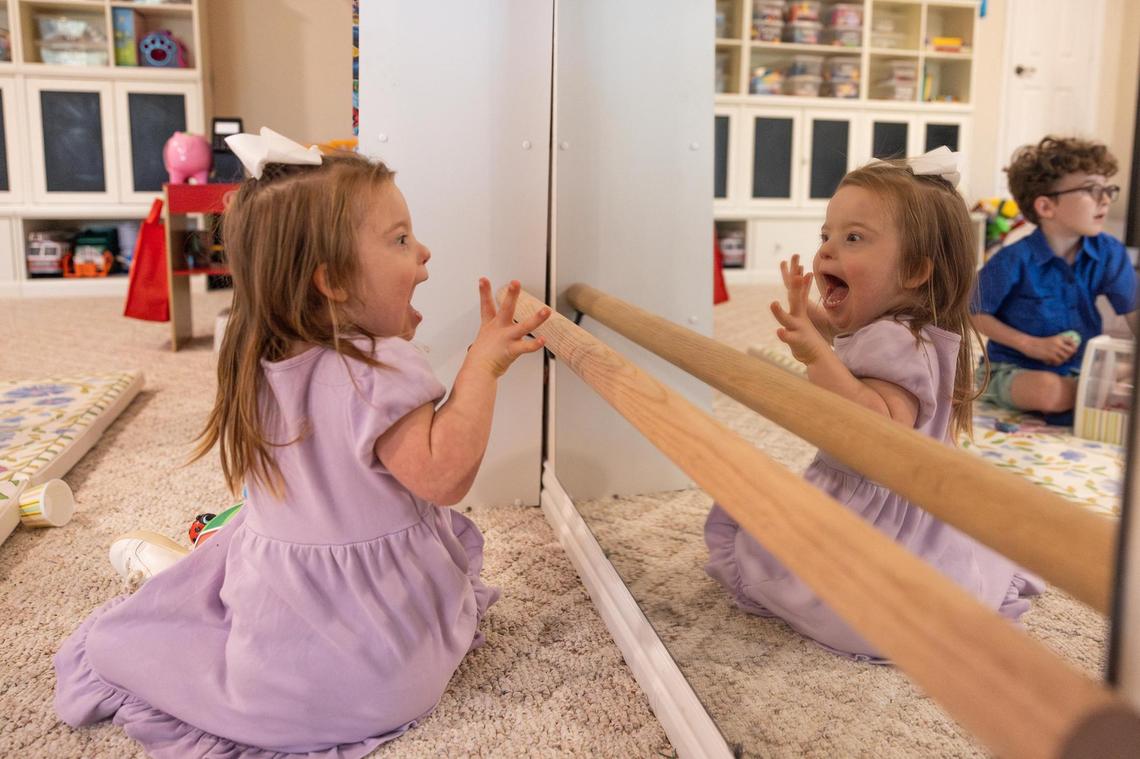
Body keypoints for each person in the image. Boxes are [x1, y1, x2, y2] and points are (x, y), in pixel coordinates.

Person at [53, 128, 550, 757]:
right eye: (400, 240)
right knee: (201, 581)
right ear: (332, 284)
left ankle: (168, 573)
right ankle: (170, 569)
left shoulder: (254, 357)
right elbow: (443, 475)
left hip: (307, 643)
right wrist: (481, 366)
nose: (423, 253)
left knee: (169, 618)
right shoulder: (379, 370)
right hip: (383, 663)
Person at [705, 149, 1043, 661]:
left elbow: (876, 426)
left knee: (810, 583)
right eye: (826, 235)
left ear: (913, 270)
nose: (826, 252)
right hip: (887, 504)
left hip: (877, 522)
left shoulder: (899, 342)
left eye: (853, 238)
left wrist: (815, 352)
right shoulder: (897, 329)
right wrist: (817, 320)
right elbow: (851, 339)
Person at [972, 136, 1137, 422]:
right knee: (1049, 392)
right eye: (1091, 190)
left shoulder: (1109, 253)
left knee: (1125, 367)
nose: (1106, 199)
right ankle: (1093, 395)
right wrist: (1030, 345)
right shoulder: (1013, 259)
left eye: (1108, 189)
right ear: (1047, 208)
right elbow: (973, 312)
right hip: (1014, 367)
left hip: (1082, 367)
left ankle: (1092, 391)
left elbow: (1133, 312)